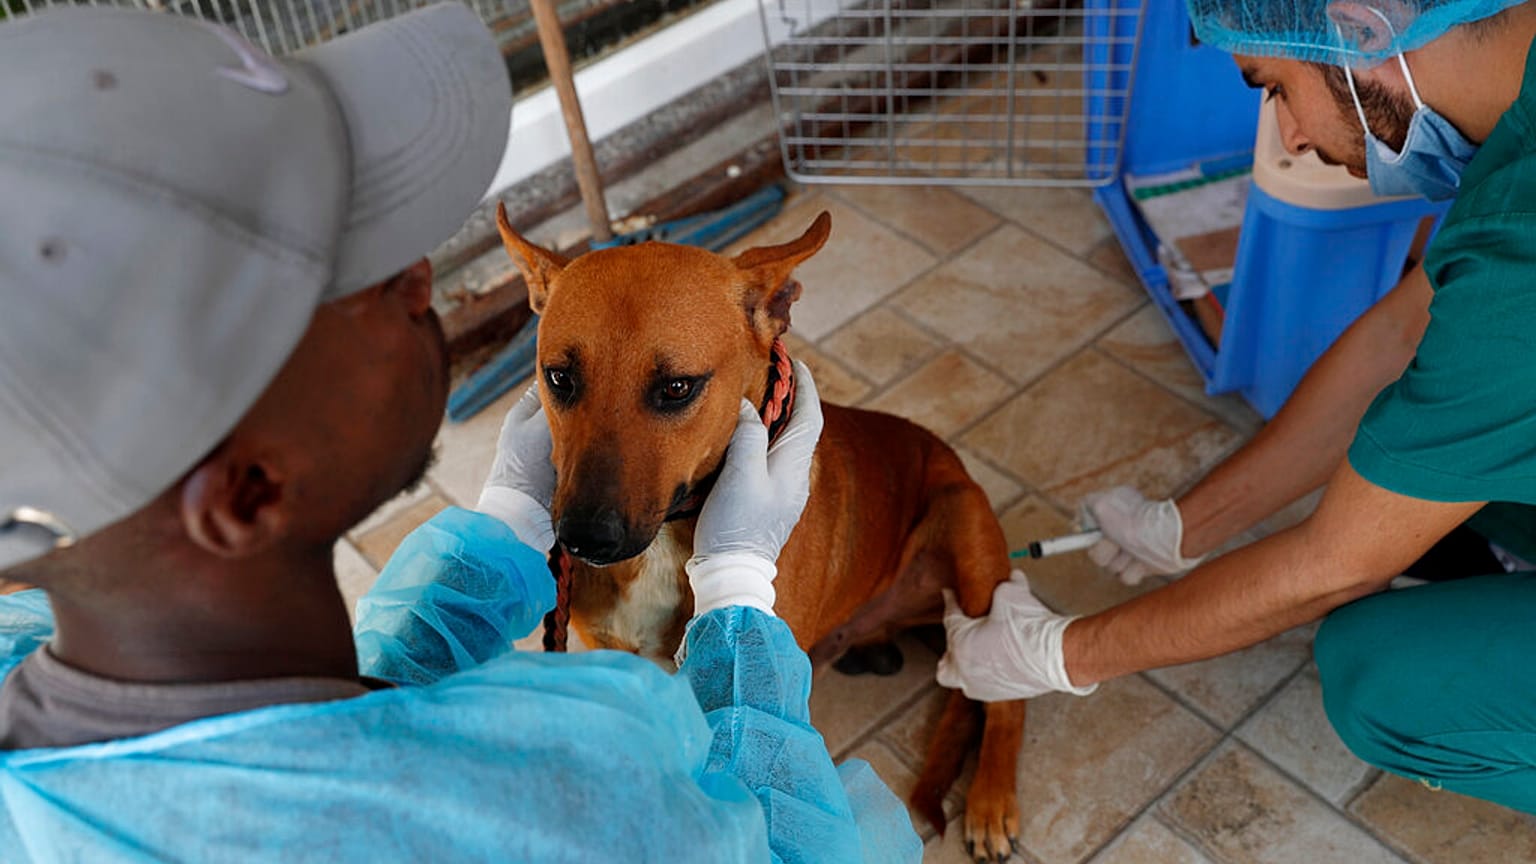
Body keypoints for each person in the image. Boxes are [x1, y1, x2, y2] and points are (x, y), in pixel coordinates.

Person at [0, 6, 921, 861]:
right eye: (351, 273)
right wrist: (739, 592)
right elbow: (786, 846)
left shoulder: (42, 664)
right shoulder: (578, 799)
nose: (418, 275)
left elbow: (359, 707)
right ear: (245, 493)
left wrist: (493, 548)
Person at [938, 0, 1536, 814]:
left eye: (1274, 87)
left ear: (1362, 24)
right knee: (1435, 457)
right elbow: (1403, 337)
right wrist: (1187, 525)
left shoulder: (1519, 255)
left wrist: (1061, 655)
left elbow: (1335, 564)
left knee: (1378, 676)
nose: (1290, 134)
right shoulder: (1511, 106)